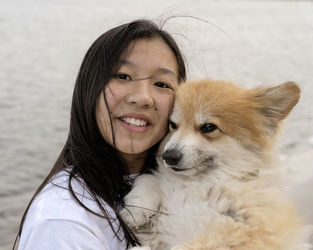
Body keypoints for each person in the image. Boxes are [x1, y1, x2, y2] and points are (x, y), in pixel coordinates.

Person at [14, 19, 187, 250]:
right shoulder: (63, 221)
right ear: (89, 87)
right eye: (123, 76)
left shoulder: (189, 187)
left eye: (162, 83)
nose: (143, 97)